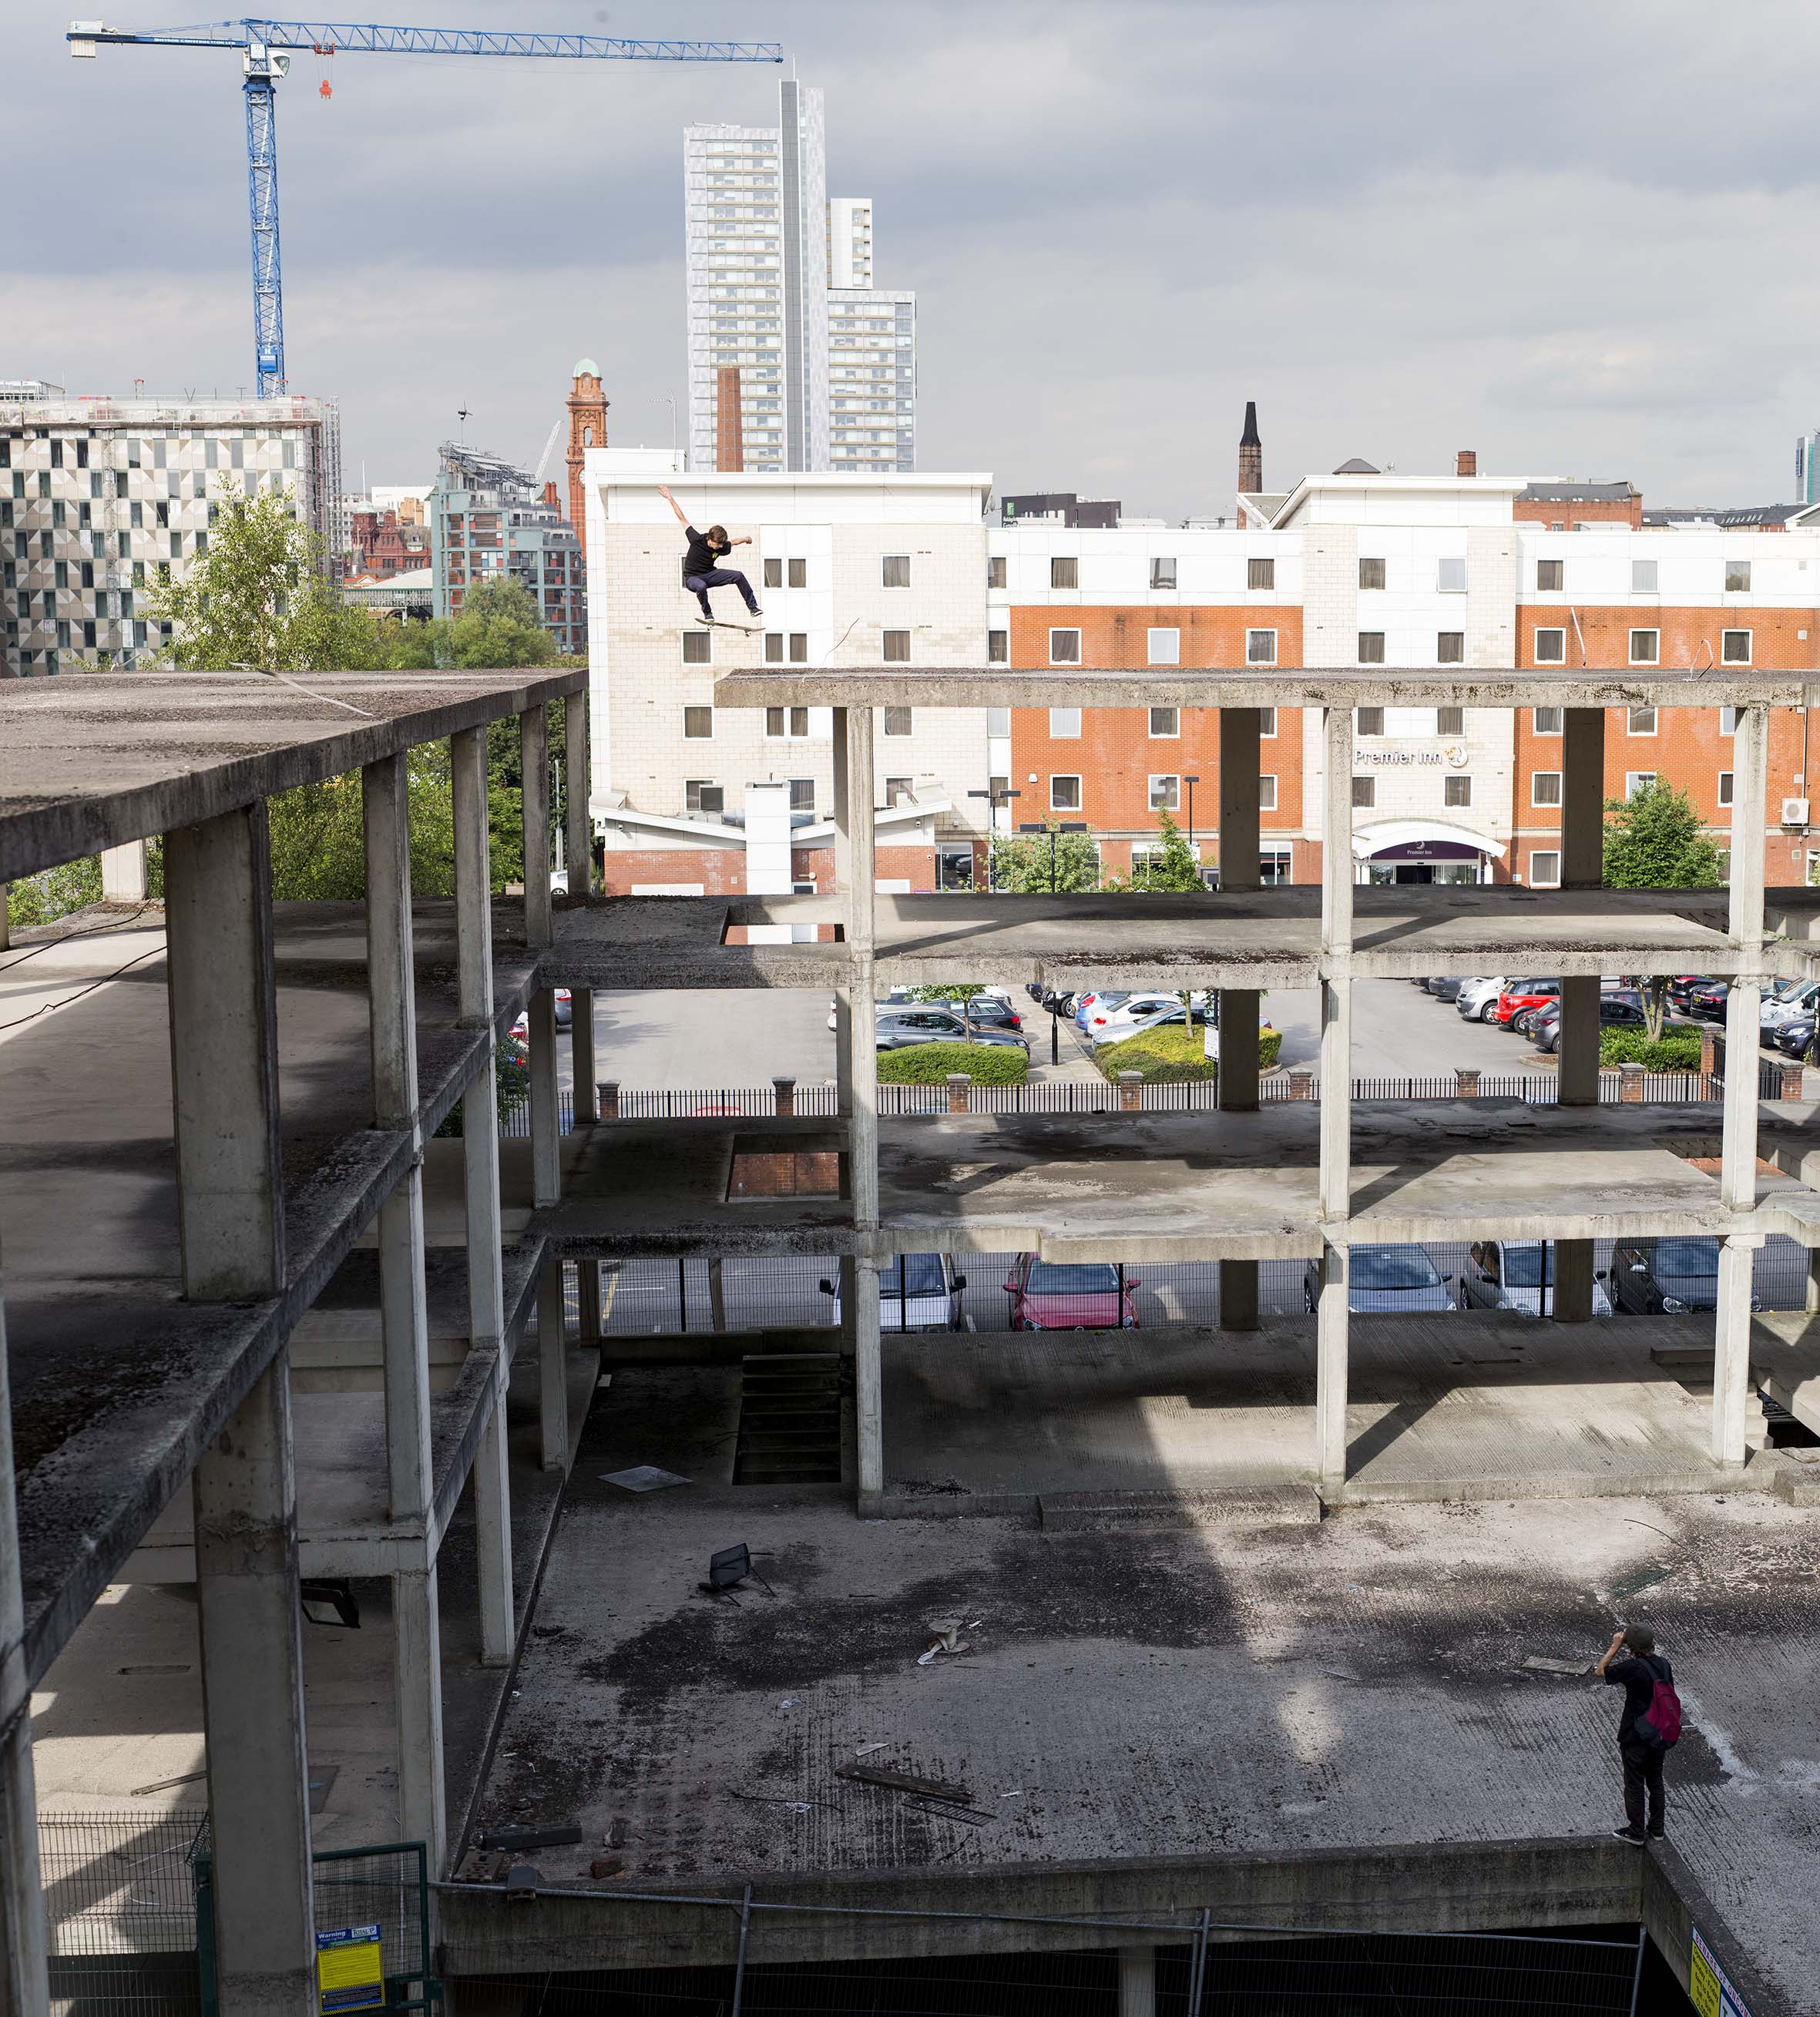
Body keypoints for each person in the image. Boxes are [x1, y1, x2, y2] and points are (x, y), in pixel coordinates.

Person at [1597, 1623, 1673, 1842]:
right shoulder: (1664, 1665)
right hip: (1659, 1733)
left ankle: (1636, 1831)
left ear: (1631, 1646)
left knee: (1634, 1783)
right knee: (1655, 1780)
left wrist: (1614, 1647)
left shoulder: (1633, 1668)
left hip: (1636, 1735)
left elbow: (1600, 1670)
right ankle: (1657, 1829)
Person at [657, 485, 761, 623]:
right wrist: (670, 498)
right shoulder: (696, 539)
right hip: (692, 578)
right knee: (701, 586)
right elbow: (682, 518)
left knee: (738, 576)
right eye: (717, 544)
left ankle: (753, 608)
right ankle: (708, 614)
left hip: (711, 575)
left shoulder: (722, 546)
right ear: (709, 539)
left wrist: (746, 539)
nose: (719, 547)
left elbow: (734, 542)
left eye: (721, 545)